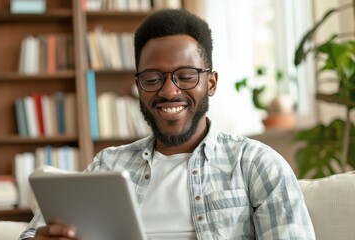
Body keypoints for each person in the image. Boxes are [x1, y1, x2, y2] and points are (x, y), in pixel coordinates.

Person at [19, 9, 315, 240]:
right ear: (138, 86)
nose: (169, 91)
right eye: (152, 78)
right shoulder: (107, 166)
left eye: (185, 76)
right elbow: (33, 233)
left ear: (210, 83)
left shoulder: (257, 164)